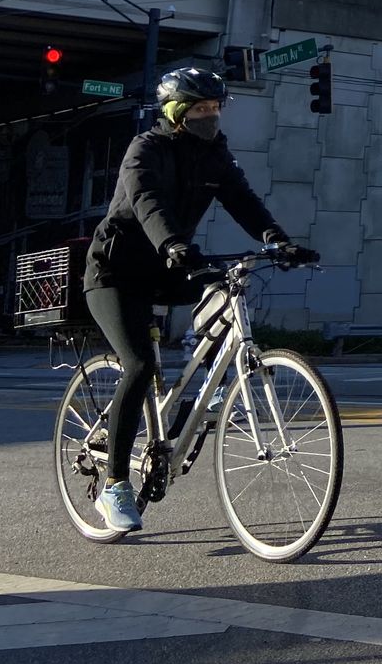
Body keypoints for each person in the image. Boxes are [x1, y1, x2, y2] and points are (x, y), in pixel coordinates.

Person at [81, 67, 316, 531]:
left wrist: (277, 239)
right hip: (117, 271)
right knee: (140, 365)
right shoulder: (145, 149)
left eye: (215, 109)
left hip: (173, 266)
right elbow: (147, 202)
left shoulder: (214, 154)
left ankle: (199, 394)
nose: (211, 116)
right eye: (201, 109)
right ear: (176, 112)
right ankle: (113, 487)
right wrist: (172, 244)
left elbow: (242, 199)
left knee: (226, 289)